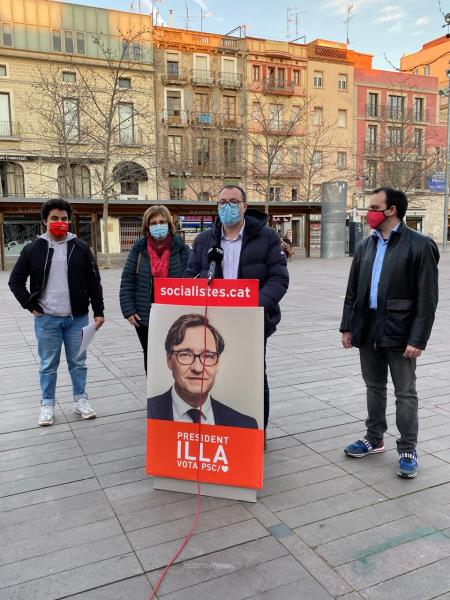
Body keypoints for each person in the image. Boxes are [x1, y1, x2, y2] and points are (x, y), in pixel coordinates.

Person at [340, 188, 439, 479]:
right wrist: (347, 326)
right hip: (367, 327)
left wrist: (417, 338)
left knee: (405, 392)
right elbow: (352, 291)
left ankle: (407, 449)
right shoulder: (365, 245)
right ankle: (374, 437)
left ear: (392, 210)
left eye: (374, 206)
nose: (368, 211)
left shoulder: (420, 245)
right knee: (374, 386)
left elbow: (427, 298)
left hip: (400, 330)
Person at [184, 185, 289, 443]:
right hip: (212, 324)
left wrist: (254, 305)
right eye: (222, 202)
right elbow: (190, 276)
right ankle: (221, 430)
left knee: (252, 375)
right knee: (217, 374)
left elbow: (278, 278)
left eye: (233, 201)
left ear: (244, 206)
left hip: (252, 322)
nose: (227, 207)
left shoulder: (267, 237)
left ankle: (257, 433)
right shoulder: (203, 240)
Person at [8, 198, 105, 426]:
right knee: (48, 365)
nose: (59, 222)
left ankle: (81, 400)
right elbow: (15, 281)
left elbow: (94, 281)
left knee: (78, 362)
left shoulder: (80, 247)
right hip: (47, 320)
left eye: (63, 219)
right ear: (45, 221)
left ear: (68, 221)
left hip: (77, 318)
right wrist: (30, 305)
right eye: (54, 218)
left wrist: (98, 310)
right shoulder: (34, 249)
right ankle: (47, 404)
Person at [148, 313, 258, 428]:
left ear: (218, 363)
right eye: (185, 354)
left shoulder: (246, 425)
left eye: (208, 356)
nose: (197, 368)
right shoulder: (149, 415)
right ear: (169, 360)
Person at [120, 205, 190, 372]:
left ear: (169, 224)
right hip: (145, 316)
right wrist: (129, 310)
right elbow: (128, 280)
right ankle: (154, 396)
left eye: (162, 221)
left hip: (175, 314)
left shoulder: (181, 249)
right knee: (150, 355)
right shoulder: (139, 250)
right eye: (153, 223)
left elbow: (192, 279)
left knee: (176, 353)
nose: (158, 226)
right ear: (147, 226)